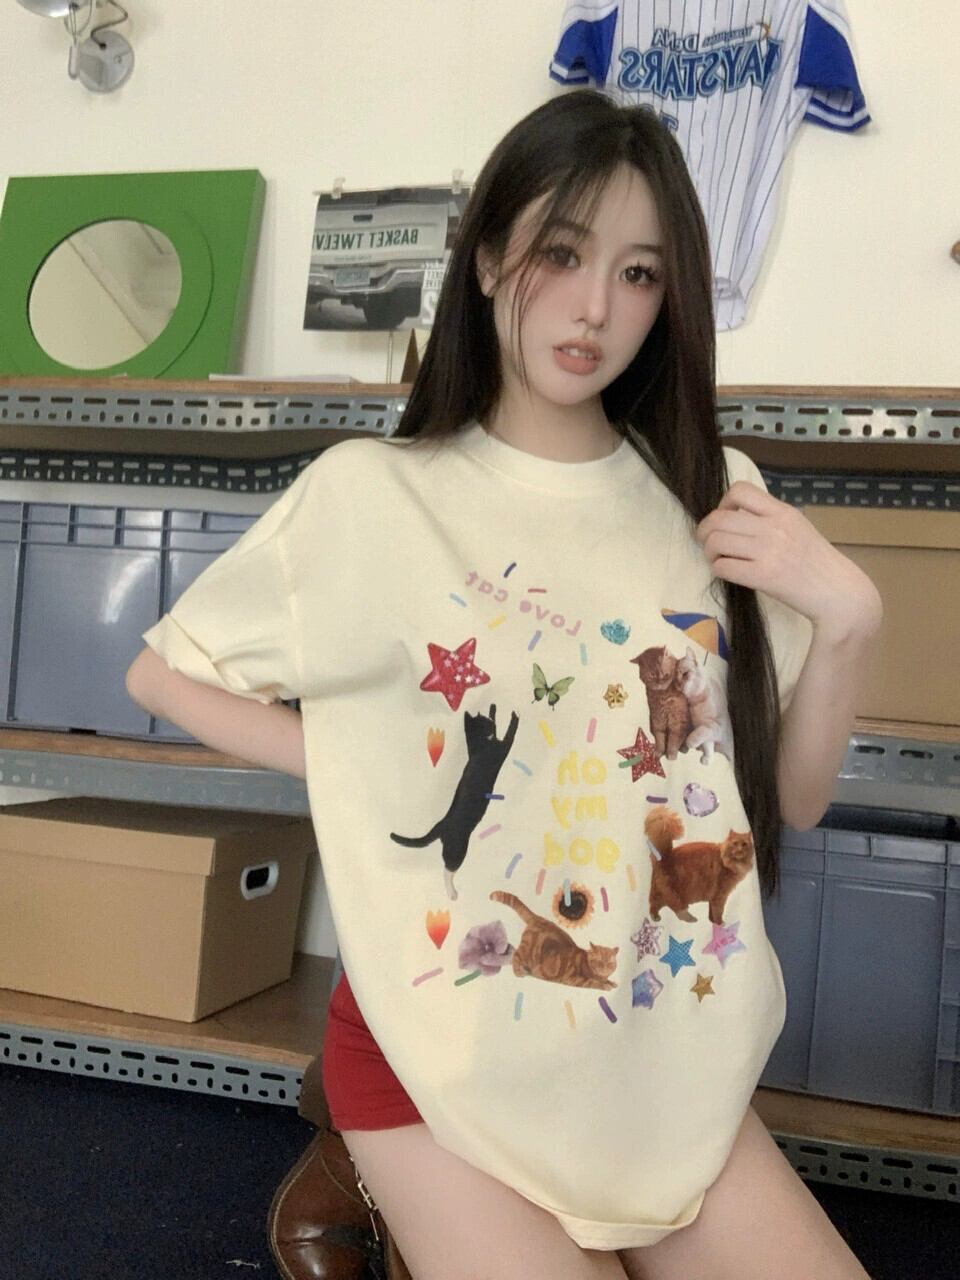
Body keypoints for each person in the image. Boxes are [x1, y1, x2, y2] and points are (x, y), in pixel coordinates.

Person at [126, 89, 881, 1280]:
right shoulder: (376, 492)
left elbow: (795, 796)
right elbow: (163, 671)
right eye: (561, 254)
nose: (595, 308)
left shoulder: (713, 496)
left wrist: (848, 618)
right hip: (441, 1040)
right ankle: (360, 1163)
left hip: (652, 1051)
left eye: (639, 273)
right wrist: (362, 757)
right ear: (486, 259)